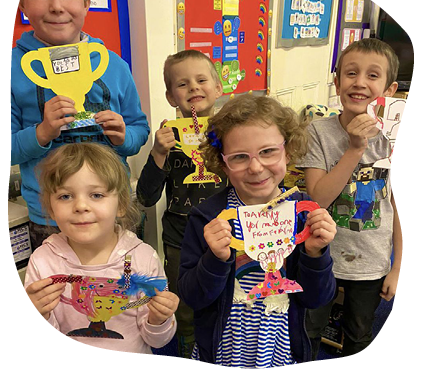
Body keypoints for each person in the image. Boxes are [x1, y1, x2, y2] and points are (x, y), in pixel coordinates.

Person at [178, 94, 337, 367]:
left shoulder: (304, 215)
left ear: (288, 151)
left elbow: (317, 299)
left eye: (268, 151)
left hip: (281, 351)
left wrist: (314, 254)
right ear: (223, 163)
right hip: (223, 353)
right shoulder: (207, 218)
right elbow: (192, 297)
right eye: (240, 157)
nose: (255, 167)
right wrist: (215, 259)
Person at [11, 0, 150, 251]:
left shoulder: (114, 65)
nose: (56, 6)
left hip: (113, 208)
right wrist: (41, 133)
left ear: (86, 2)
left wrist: (123, 136)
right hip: (51, 217)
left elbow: (140, 130)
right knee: (59, 283)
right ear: (22, 3)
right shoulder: (11, 70)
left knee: (128, 278)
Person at [296, 38, 402, 358]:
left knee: (359, 334)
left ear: (389, 89)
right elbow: (318, 198)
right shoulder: (318, 131)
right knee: (309, 329)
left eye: (373, 75)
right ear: (337, 81)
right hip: (321, 255)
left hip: (372, 260)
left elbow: (401, 208)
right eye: (351, 73)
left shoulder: (396, 139)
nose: (360, 82)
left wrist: (398, 267)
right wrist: (355, 148)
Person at [24, 143, 179, 353]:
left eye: (96, 195)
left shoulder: (143, 258)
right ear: (50, 208)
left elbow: (158, 341)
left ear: (121, 204)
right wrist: (37, 316)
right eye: (65, 196)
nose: (81, 206)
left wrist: (159, 319)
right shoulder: (42, 261)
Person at [137, 49, 225, 358]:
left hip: (227, 234)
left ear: (218, 88)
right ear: (170, 96)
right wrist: (158, 153)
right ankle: (188, 351)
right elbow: (146, 197)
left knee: (225, 297)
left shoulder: (231, 134)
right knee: (185, 304)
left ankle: (221, 351)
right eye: (182, 84)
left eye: (201, 80)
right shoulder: (168, 139)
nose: (193, 88)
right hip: (180, 239)